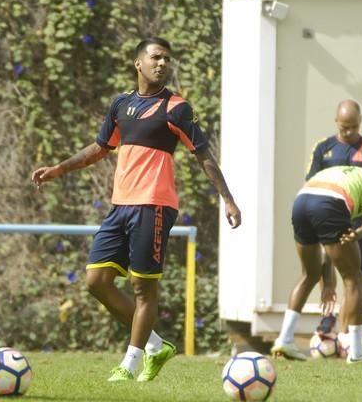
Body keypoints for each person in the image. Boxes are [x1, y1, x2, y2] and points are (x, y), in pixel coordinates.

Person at [31, 37, 242, 381]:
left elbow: (203, 154)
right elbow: (100, 148)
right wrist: (59, 168)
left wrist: (228, 198)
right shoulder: (121, 104)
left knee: (143, 288)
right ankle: (156, 346)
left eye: (167, 59)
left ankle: (129, 365)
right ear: (138, 63)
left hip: (154, 207)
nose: (163, 64)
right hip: (120, 207)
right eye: (156, 57)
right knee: (96, 281)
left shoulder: (177, 107)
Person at [270, 163, 362, 363]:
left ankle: (285, 339)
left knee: (309, 274)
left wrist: (328, 281)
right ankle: (357, 353)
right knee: (354, 279)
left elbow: (328, 244)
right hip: (329, 202)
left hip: (301, 201)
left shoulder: (353, 180)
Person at [305, 100, 362, 338]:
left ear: (360, 122)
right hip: (329, 218)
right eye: (343, 127)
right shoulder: (323, 148)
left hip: (357, 222)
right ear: (336, 122)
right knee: (325, 263)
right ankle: (326, 316)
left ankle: (343, 333)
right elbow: (311, 182)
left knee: (353, 276)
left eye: (353, 127)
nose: (348, 132)